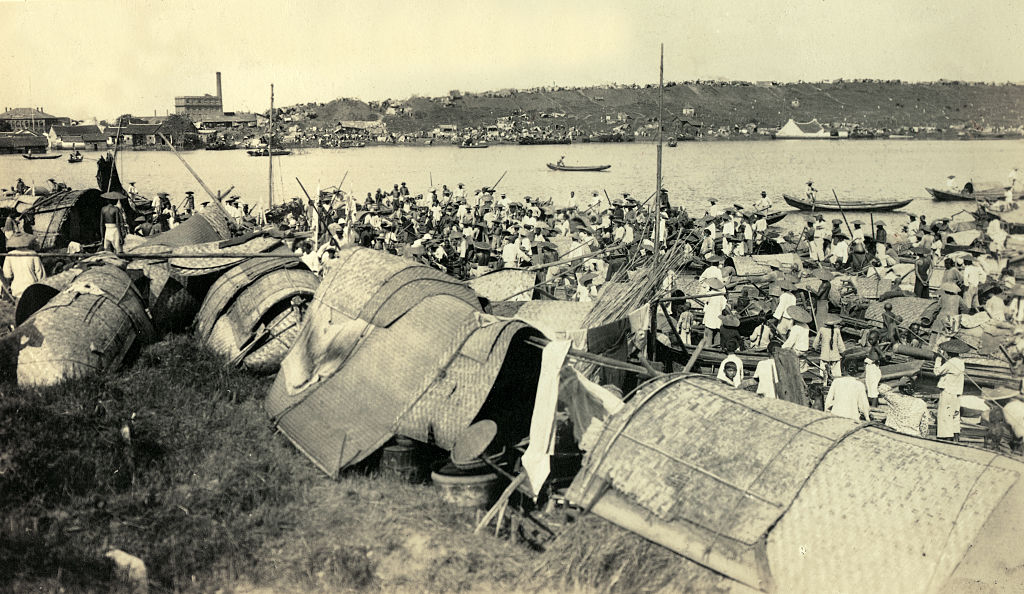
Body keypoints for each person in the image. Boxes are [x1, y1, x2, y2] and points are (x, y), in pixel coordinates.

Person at [934, 339, 968, 442]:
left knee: (945, 415)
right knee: (955, 414)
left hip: (948, 392)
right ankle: (956, 436)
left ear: (949, 353)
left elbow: (937, 372)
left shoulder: (950, 363)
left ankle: (946, 437)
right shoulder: (961, 363)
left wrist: (938, 359)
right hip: (957, 393)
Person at [2, 233, 45, 298]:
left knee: (19, 306)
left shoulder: (10, 255)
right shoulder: (33, 253)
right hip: (31, 287)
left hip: (17, 288)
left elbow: (7, 274)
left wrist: (8, 285)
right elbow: (40, 273)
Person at [814, 313, 845, 385]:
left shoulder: (822, 330)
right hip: (835, 357)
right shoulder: (837, 330)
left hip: (824, 356)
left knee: (823, 375)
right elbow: (840, 344)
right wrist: (842, 352)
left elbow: (816, 342)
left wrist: (815, 347)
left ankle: (824, 386)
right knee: (836, 376)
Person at [702, 278, 727, 345]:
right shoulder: (722, 296)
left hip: (710, 316)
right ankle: (717, 346)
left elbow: (705, 300)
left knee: (708, 333)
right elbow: (723, 307)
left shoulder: (710, 294)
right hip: (718, 316)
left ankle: (708, 347)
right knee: (717, 333)